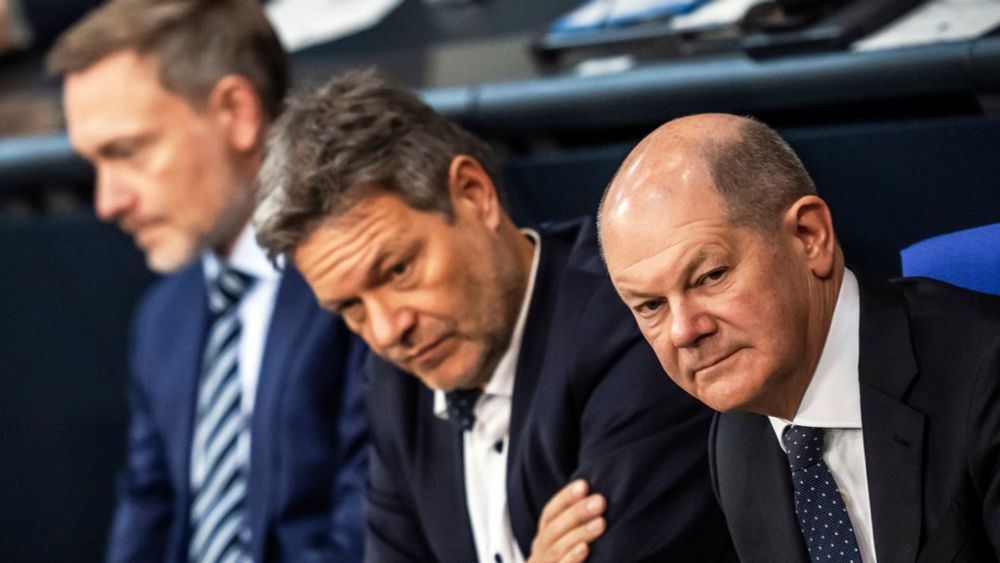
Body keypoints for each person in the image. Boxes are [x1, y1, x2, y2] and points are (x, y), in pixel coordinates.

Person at [253, 71, 735, 563]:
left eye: (399, 270)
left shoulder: (629, 321)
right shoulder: (395, 382)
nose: (386, 331)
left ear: (473, 192)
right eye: (350, 307)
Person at [598, 113, 1000, 562]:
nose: (684, 331)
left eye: (711, 276)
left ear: (810, 237)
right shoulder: (738, 438)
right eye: (651, 305)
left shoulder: (987, 374)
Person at [48, 1, 368, 561]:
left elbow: (369, 535)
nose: (107, 202)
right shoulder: (163, 318)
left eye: (127, 152)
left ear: (236, 112)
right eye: (94, 164)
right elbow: (145, 523)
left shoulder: (365, 285)